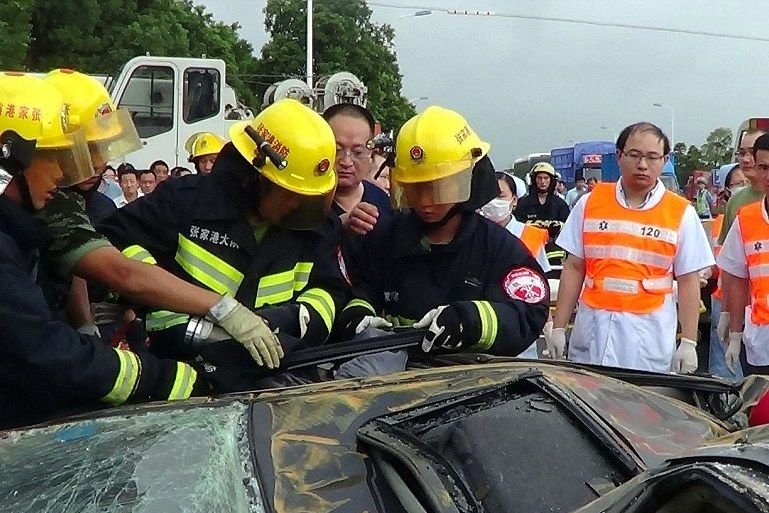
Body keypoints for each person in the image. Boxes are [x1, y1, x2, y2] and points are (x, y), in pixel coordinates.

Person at [36, 68, 286, 372]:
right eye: (85, 150)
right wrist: (223, 308)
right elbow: (119, 272)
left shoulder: (73, 193)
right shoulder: (46, 198)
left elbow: (77, 261)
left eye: (101, 148)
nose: (99, 163)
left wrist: (86, 326)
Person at [98, 99, 349, 391]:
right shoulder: (187, 201)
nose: (297, 204)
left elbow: (331, 291)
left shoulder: (316, 229)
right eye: (288, 192)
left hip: (273, 376)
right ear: (256, 177)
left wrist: (285, 320)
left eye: (306, 196)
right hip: (177, 373)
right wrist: (157, 292)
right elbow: (112, 243)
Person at [0, 73, 201, 429]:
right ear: (9, 160)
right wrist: (157, 377)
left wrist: (86, 333)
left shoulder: (24, 223)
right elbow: (40, 350)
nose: (69, 169)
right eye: (56, 156)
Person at [334, 106, 549, 377]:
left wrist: (469, 321)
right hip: (386, 390)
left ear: (470, 179)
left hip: (468, 389)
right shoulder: (383, 238)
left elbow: (528, 313)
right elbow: (362, 288)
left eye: (439, 188)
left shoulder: (500, 250)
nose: (424, 201)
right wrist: (357, 315)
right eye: (413, 188)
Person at [547, 122, 714, 373]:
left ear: (664, 159)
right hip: (594, 331)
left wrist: (689, 342)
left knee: (643, 411)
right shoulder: (590, 203)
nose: (643, 165)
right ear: (619, 156)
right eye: (634, 155)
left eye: (652, 157)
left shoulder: (680, 213)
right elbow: (574, 267)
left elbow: (689, 280)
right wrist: (559, 327)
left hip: (647, 336)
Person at [717, 133, 769, 376]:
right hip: (761, 344)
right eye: (764, 168)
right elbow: (737, 278)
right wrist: (735, 331)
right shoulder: (746, 219)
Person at [323, 103, 392, 257]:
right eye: (337, 150)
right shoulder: (305, 203)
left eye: (358, 152)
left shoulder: (382, 201)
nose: (346, 162)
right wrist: (338, 226)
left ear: (371, 154)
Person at [707, 164, 745, 380]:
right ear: (727, 189)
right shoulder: (720, 223)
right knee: (725, 367)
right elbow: (714, 266)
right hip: (723, 299)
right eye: (738, 183)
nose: (744, 187)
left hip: (753, 302)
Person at [514, 162, 570, 270]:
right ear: (534, 180)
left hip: (554, 255)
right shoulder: (524, 203)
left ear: (552, 180)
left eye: (546, 178)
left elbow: (568, 225)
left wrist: (557, 226)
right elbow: (516, 224)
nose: (542, 182)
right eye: (539, 178)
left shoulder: (560, 203)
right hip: (528, 252)